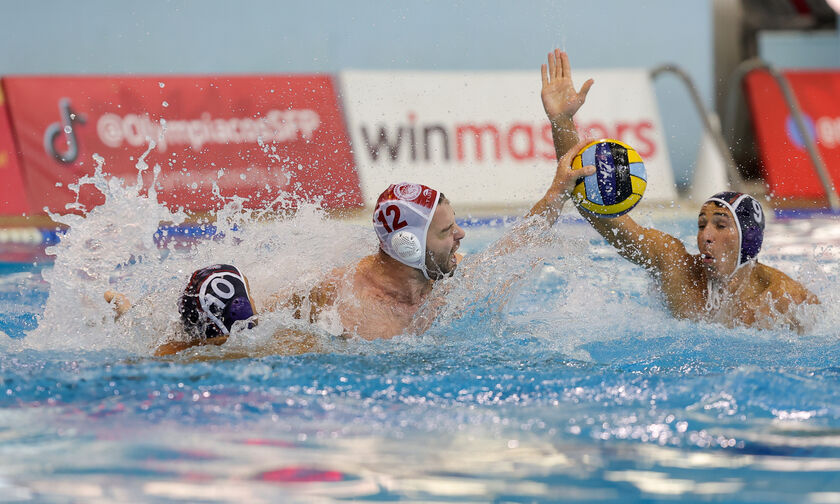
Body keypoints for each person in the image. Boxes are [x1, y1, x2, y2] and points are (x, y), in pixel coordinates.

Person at [106, 48, 597, 351]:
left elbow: (521, 244)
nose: (462, 235)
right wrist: (148, 335)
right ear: (407, 245)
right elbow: (235, 341)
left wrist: (559, 163)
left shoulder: (444, 278)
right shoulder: (342, 303)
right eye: (447, 230)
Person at [541, 51, 819, 330]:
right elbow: (600, 213)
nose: (705, 236)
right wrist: (562, 121)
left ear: (749, 239)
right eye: (701, 224)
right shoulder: (676, 266)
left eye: (721, 225)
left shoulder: (786, 300)